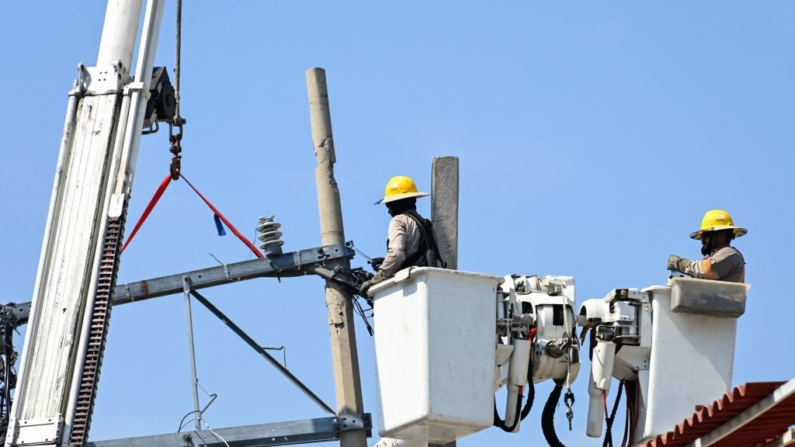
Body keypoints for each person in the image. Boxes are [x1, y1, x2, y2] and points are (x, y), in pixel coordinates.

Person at [360, 175, 443, 296]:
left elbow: (397, 254)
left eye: (389, 205)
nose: (389, 211)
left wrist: (377, 279)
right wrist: (386, 262)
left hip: (409, 286)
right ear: (413, 200)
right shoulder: (425, 224)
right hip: (427, 283)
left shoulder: (399, 220)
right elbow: (416, 254)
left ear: (396, 203)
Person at [666, 209, 747, 283]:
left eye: (706, 235)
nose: (702, 240)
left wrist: (680, 263)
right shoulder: (720, 257)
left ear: (721, 235)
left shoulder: (729, 254)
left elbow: (705, 269)